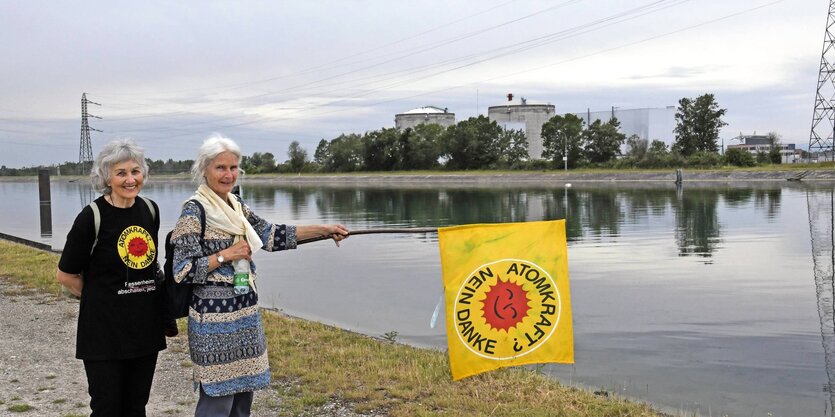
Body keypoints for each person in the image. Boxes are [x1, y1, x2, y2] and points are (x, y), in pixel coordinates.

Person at [171, 134, 348, 417]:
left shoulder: (237, 206)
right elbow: (183, 270)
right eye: (221, 168)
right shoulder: (194, 211)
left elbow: (271, 235)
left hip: (244, 313)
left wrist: (324, 230)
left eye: (233, 168)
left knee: (242, 405)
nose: (229, 175)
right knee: (217, 404)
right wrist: (226, 255)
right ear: (204, 169)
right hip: (213, 323)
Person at [56, 138, 165, 417]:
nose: (130, 180)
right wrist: (101, 297)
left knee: (136, 406)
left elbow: (150, 266)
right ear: (106, 177)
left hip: (144, 330)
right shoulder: (91, 217)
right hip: (103, 334)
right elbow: (66, 275)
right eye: (121, 173)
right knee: (106, 408)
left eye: (135, 171)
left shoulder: (150, 210)